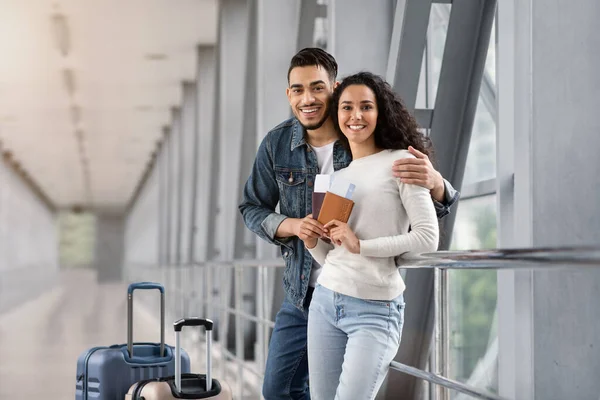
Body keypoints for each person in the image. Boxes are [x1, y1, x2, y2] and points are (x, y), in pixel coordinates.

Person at [239, 48, 459, 400]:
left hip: (368, 292)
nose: (307, 98)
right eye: (297, 89)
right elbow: (251, 207)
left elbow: (425, 221)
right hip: (304, 292)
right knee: (277, 390)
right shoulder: (278, 145)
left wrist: (438, 184)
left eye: (317, 88)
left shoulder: (366, 137)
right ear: (289, 94)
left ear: (334, 88)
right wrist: (294, 227)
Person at [301, 71, 438, 400]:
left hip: (376, 309)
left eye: (366, 106)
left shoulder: (401, 162)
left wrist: (361, 245)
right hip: (325, 301)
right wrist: (311, 242)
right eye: (346, 107)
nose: (356, 116)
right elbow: (333, 253)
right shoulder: (338, 176)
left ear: (381, 113)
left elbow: (426, 238)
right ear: (336, 115)